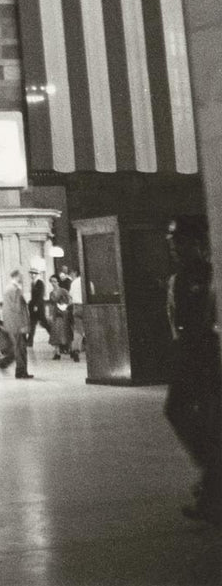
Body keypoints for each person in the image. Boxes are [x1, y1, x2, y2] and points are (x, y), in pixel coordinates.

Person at [164, 215, 221, 528]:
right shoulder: (182, 275)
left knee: (186, 413)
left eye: (180, 241)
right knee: (191, 416)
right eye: (172, 241)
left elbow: (201, 319)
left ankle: (211, 483)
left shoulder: (204, 273)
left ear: (196, 243)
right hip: (190, 354)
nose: (174, 246)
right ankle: (211, 477)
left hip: (202, 356)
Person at [0, 269, 33, 379]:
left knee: (17, 348)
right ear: (16, 276)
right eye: (21, 276)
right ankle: (21, 372)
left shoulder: (8, 289)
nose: (22, 278)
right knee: (21, 348)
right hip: (18, 324)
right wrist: (24, 324)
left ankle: (11, 367)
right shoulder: (16, 290)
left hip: (11, 323)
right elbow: (18, 308)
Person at [48, 277, 75, 360]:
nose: (53, 283)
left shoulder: (63, 290)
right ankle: (57, 352)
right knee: (56, 333)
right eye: (52, 281)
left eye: (55, 281)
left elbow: (70, 299)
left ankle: (71, 350)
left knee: (67, 331)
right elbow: (51, 304)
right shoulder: (51, 293)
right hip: (56, 314)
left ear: (58, 282)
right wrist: (50, 314)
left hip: (64, 314)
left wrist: (65, 306)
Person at [27, 276, 51, 345]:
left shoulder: (40, 283)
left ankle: (54, 336)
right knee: (32, 324)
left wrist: (36, 305)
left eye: (34, 274)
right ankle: (30, 341)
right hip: (33, 307)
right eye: (31, 274)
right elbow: (33, 296)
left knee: (44, 323)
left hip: (39, 307)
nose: (32, 275)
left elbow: (41, 295)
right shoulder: (32, 283)